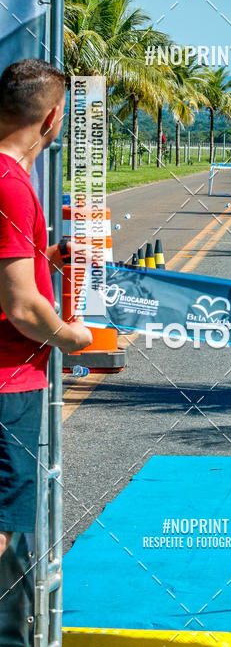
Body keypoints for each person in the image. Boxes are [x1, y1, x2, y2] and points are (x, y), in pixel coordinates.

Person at [0, 59, 93, 642]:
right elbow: (20, 307)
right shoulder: (10, 182)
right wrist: (71, 337)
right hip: (8, 380)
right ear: (54, 117)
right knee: (4, 523)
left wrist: (42, 258)